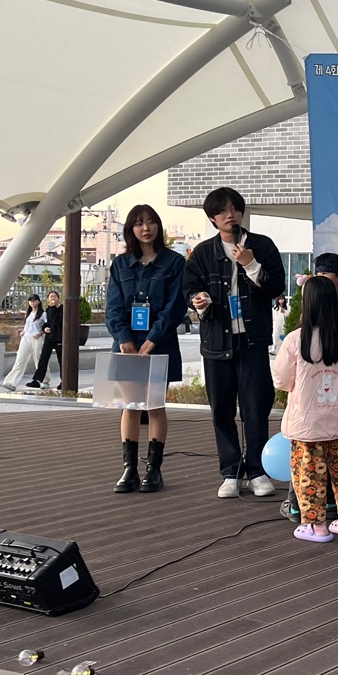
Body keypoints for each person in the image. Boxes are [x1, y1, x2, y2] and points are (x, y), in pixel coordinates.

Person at [183, 187, 287, 498]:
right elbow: (189, 290)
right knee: (221, 408)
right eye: (222, 211)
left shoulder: (262, 246)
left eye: (234, 208)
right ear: (213, 219)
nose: (230, 215)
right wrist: (198, 301)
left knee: (256, 406)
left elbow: (277, 287)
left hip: (253, 340)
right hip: (217, 341)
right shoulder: (203, 253)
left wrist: (251, 264)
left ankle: (257, 470)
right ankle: (230, 471)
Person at [272, 276, 338, 542]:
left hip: (307, 423)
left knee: (309, 474)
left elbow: (281, 380)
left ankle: (316, 527)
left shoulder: (295, 339)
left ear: (307, 303)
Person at [105, 205, 188, 494]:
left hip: (159, 344)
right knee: (129, 406)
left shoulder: (174, 263)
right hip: (127, 345)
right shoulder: (120, 264)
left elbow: (175, 306)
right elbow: (113, 307)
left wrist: (154, 337)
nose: (146, 228)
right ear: (131, 229)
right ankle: (129, 469)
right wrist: (123, 337)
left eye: (151, 222)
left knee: (154, 406)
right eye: (139, 223)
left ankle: (154, 469)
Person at [3, 294, 46, 391]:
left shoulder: (43, 314)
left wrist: (40, 333)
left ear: (39, 301)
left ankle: (44, 380)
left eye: (34, 300)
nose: (32, 302)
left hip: (36, 339)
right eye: (30, 301)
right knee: (20, 361)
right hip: (26, 339)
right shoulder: (29, 313)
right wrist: (24, 331)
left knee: (39, 361)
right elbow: (28, 326)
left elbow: (48, 326)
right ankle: (11, 382)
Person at [27, 291, 64, 389]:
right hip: (49, 338)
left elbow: (57, 321)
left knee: (62, 361)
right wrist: (44, 328)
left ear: (58, 298)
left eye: (55, 296)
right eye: (51, 296)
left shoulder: (62, 309)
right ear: (48, 299)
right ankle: (37, 380)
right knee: (43, 359)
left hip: (59, 338)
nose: (53, 298)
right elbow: (47, 322)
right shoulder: (47, 310)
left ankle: (64, 381)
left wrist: (53, 308)